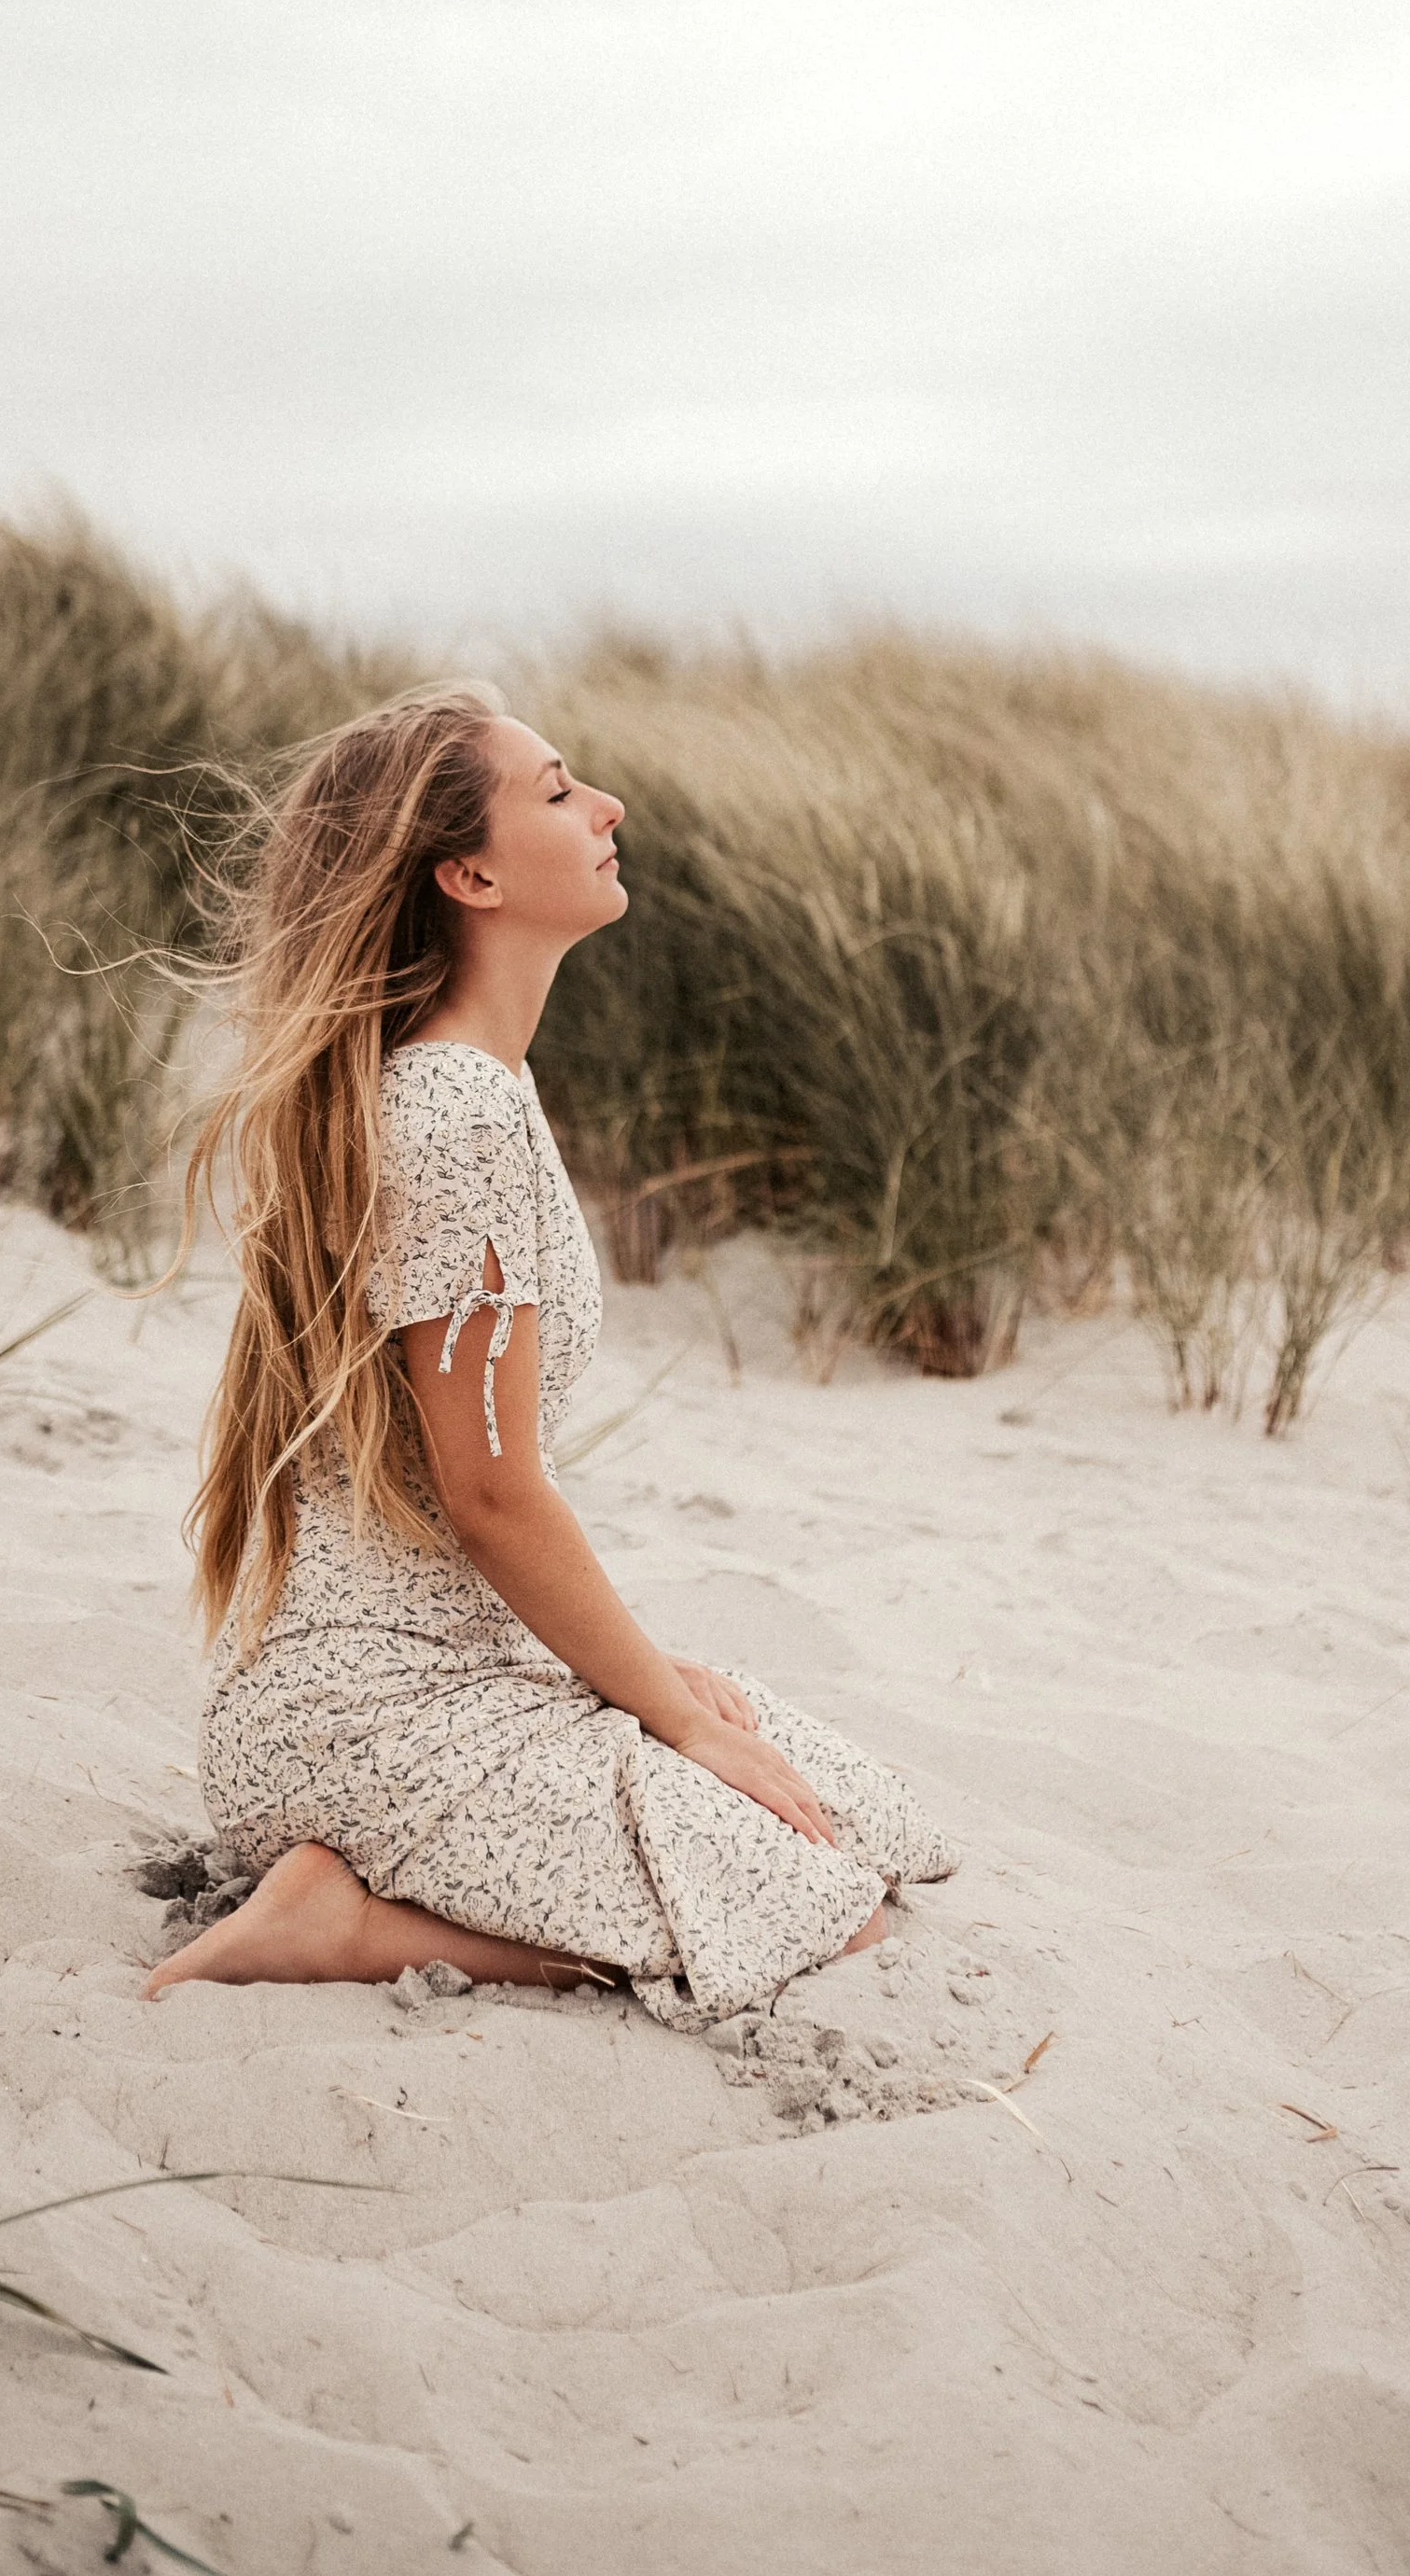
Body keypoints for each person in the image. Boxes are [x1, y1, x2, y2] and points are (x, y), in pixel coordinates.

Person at [144, 684, 954, 2021]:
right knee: (827, 1908)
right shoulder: (451, 1111)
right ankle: (343, 1925)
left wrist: (646, 1680)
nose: (607, 808)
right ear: (469, 872)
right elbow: (493, 1493)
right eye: (562, 791)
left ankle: (390, 1880)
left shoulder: (478, 1083)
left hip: (460, 1672)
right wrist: (670, 1719)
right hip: (371, 1718)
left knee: (860, 1823)